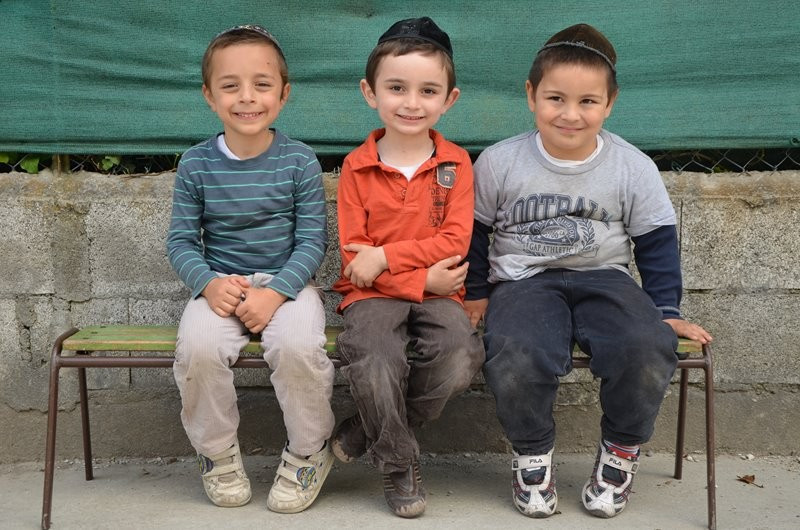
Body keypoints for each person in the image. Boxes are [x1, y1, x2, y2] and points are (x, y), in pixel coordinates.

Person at [463, 23, 713, 520]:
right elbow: (473, 232)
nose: (570, 114)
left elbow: (656, 243)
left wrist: (665, 311)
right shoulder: (499, 161)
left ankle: (620, 450)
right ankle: (532, 456)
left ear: (610, 103)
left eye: (588, 101)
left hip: (605, 278)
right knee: (516, 349)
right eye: (556, 98)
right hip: (524, 280)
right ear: (531, 95)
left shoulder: (631, 166)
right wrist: (475, 293)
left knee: (647, 345)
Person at [166, 24, 334, 514]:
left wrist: (276, 292)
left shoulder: (300, 160)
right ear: (209, 95)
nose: (247, 97)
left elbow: (312, 242)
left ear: (283, 94)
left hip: (289, 287)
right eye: (230, 85)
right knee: (198, 349)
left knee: (299, 347)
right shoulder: (195, 164)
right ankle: (217, 453)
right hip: (221, 286)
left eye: (262, 85)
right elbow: (180, 242)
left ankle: (309, 451)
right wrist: (208, 283)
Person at [331, 17, 485, 518]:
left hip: (441, 295)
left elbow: (454, 240)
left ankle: (363, 430)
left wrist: (386, 256)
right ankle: (398, 462)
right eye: (396, 88)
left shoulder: (457, 164)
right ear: (369, 92)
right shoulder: (356, 167)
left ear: (449, 99)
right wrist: (421, 276)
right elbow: (355, 261)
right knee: (375, 357)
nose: (412, 103)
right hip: (374, 295)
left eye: (428, 91)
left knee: (460, 357)